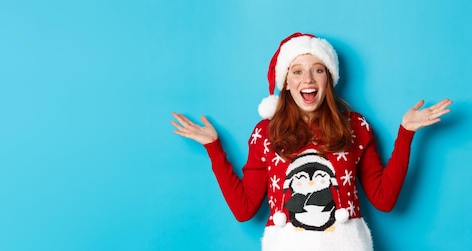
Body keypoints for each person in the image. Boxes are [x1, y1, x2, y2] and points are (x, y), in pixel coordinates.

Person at [170, 32, 452, 251]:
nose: (308, 78)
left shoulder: (355, 126)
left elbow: (385, 200)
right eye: (297, 70)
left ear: (328, 78)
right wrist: (213, 148)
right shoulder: (265, 133)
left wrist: (406, 133)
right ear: (286, 82)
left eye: (318, 69)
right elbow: (244, 210)